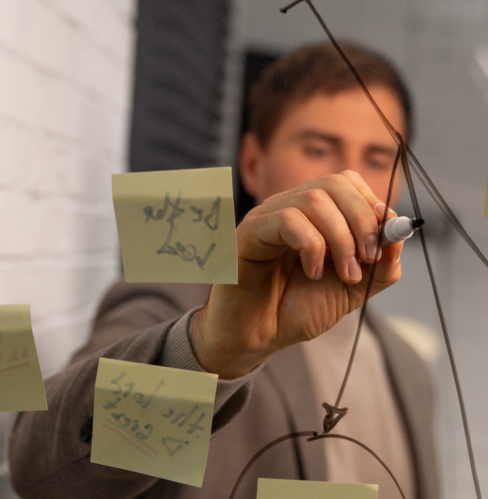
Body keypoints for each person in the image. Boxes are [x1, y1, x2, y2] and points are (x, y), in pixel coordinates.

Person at [9, 42, 438, 499]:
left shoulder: (408, 368)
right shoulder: (182, 307)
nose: (349, 178)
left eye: (377, 159)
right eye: (318, 149)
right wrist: (212, 353)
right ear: (253, 165)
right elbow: (43, 473)